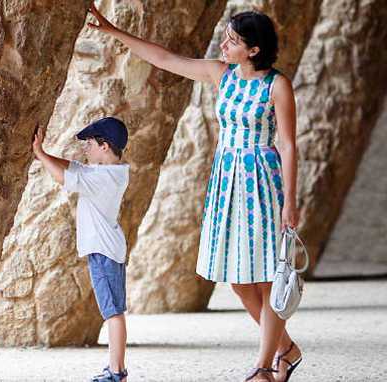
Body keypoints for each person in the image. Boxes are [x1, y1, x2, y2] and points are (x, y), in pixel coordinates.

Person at [86, 3, 302, 381]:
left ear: (253, 49)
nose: (224, 44)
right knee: (239, 280)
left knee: (269, 276)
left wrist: (291, 201)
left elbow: (287, 145)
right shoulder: (223, 75)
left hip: (263, 182)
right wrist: (111, 29)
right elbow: (164, 58)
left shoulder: (277, 85)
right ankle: (286, 348)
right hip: (227, 180)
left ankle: (264, 367)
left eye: (233, 41)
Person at [32, 117, 131, 382]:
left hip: (104, 251)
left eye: (89, 143)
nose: (85, 148)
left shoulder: (103, 178)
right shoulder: (112, 172)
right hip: (106, 249)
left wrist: (40, 154)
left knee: (113, 312)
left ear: (105, 146)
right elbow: (73, 167)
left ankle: (117, 372)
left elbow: (63, 175)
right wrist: (45, 155)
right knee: (113, 310)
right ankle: (116, 370)